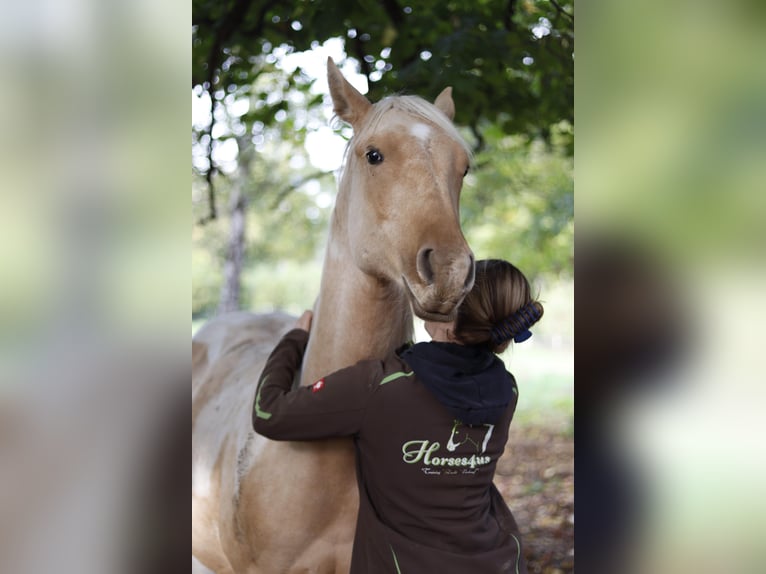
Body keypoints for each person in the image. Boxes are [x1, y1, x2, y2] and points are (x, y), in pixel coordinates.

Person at [252, 259, 543, 573]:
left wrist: (293, 339)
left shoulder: (380, 386)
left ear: (451, 322)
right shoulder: (506, 390)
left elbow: (268, 412)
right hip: (495, 562)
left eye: (441, 295)